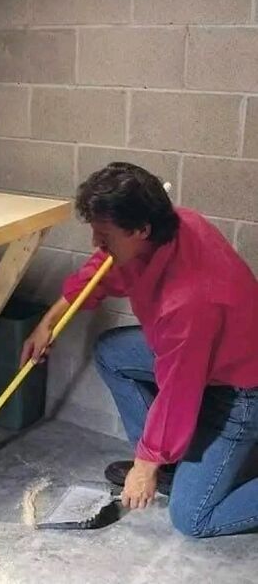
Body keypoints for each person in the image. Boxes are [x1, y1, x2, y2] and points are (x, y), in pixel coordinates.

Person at [21, 162, 258, 537]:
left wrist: (145, 466)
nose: (97, 244)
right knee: (113, 353)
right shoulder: (165, 228)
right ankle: (168, 462)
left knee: (192, 519)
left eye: (105, 236)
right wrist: (48, 323)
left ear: (141, 229)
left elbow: (180, 390)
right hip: (208, 357)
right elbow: (100, 270)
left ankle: (162, 463)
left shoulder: (189, 300)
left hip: (242, 392)